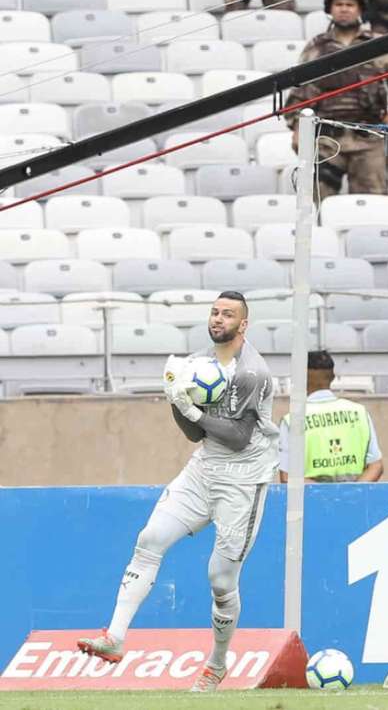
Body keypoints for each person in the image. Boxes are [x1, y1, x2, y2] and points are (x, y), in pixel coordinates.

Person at [76, 292, 278, 694]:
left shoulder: (252, 372)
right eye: (215, 312)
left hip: (242, 479)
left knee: (220, 580)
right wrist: (176, 399)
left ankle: (217, 664)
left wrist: (192, 410)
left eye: (229, 314)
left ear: (244, 324)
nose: (219, 318)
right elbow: (194, 434)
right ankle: (115, 638)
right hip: (203, 470)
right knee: (149, 539)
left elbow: (238, 438)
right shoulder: (197, 363)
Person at [284, 0, 388, 199]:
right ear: (330, 8)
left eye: (350, 4)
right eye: (339, 4)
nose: (344, 9)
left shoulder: (378, 46)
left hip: (369, 140)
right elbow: (300, 92)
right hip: (325, 141)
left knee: (372, 205)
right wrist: (298, 128)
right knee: (316, 205)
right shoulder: (316, 48)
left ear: (360, 9)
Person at [278, 350, 383, 483]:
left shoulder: (291, 421)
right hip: (355, 501)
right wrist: (353, 495)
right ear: (333, 376)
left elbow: (287, 477)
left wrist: (327, 496)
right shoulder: (359, 412)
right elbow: (376, 466)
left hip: (313, 502)